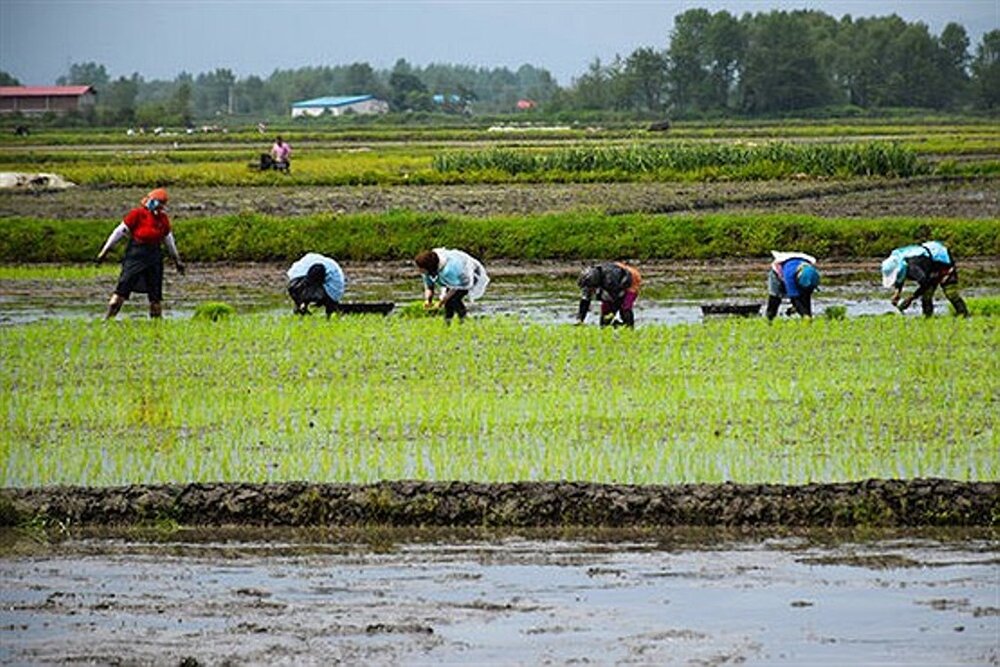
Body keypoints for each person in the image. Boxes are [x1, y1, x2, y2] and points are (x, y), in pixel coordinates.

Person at [95, 188, 185, 319]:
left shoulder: (162, 219)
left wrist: (177, 261)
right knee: (122, 288)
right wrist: (104, 252)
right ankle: (108, 319)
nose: (156, 204)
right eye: (155, 201)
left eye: (160, 202)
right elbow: (119, 232)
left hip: (154, 256)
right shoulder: (137, 214)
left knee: (155, 296)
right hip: (136, 254)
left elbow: (169, 240)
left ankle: (157, 324)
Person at [881, 241, 969, 317]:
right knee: (926, 297)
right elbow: (900, 278)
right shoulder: (898, 260)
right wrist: (897, 293)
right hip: (929, 267)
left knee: (951, 293)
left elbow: (925, 283)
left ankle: (963, 315)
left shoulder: (914, 268)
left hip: (943, 262)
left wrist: (911, 298)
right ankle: (928, 318)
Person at [414, 248, 490, 323]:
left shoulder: (448, 270)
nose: (418, 270)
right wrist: (428, 301)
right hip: (453, 280)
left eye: (420, 268)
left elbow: (454, 288)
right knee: (448, 302)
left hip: (465, 277)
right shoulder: (426, 271)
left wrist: (440, 303)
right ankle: (448, 321)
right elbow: (429, 287)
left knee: (454, 299)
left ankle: (463, 319)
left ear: (428, 267)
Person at [576, 261, 642, 328]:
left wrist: (616, 320)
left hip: (632, 279)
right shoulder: (591, 280)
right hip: (614, 275)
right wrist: (580, 319)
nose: (590, 291)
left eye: (591, 289)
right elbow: (585, 300)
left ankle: (629, 326)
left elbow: (617, 299)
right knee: (605, 314)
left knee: (625, 307)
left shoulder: (610, 280)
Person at [286, 253, 346, 317]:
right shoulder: (307, 264)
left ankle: (302, 307)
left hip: (330, 291)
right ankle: (303, 307)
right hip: (332, 291)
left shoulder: (306, 267)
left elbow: (318, 270)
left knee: (297, 290)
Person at [766, 251, 820, 320]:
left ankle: (806, 319)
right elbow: (794, 298)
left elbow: (807, 296)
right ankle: (769, 320)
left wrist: (807, 313)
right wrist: (803, 314)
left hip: (795, 267)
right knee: (775, 299)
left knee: (804, 297)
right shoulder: (789, 276)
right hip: (778, 275)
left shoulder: (812, 274)